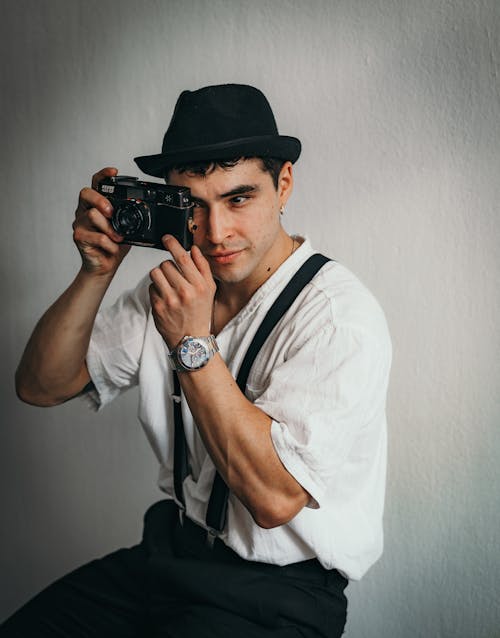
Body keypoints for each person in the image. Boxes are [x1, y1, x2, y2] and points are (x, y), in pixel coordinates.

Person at [5, 84, 392, 637]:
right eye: (194, 206)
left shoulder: (335, 315)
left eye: (238, 199)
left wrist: (192, 344)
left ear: (283, 184)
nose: (215, 234)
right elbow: (41, 385)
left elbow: (275, 498)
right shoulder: (168, 288)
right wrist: (96, 271)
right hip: (170, 557)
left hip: (279, 593)